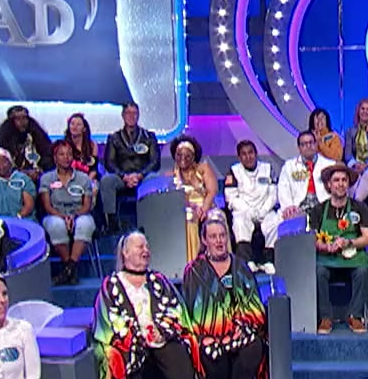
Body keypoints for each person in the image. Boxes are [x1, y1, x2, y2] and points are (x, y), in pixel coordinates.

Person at [92, 233, 200, 379]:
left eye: (147, 247)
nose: (145, 250)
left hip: (160, 336)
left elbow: (175, 309)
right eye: (140, 246)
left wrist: (162, 330)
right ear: (125, 253)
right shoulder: (111, 284)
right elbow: (109, 318)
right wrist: (135, 334)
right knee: (124, 353)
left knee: (176, 349)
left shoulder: (158, 280)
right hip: (129, 338)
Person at [182, 211, 268, 379]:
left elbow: (254, 305)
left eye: (222, 236)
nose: (219, 241)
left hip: (240, 330)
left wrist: (240, 326)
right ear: (204, 240)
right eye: (213, 237)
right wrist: (218, 329)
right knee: (207, 347)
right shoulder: (194, 270)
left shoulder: (241, 267)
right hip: (209, 332)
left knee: (254, 344)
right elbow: (192, 310)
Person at [311, 163, 368, 334]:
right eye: (336, 180)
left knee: (363, 271)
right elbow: (311, 239)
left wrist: (349, 242)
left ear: (348, 184)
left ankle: (355, 316)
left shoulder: (359, 207)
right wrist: (326, 247)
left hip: (353, 259)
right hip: (327, 259)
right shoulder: (318, 210)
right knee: (318, 272)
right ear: (329, 184)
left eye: (344, 180)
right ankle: (325, 318)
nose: (340, 184)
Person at [37, 139, 97, 285]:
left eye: (69, 154)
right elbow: (47, 206)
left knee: (85, 224)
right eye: (62, 154)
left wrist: (73, 216)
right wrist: (63, 217)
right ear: (55, 157)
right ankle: (69, 267)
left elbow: (87, 205)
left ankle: (69, 268)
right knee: (56, 225)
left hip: (79, 214)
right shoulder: (46, 178)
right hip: (54, 214)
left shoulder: (83, 178)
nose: (66, 157)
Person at [99, 101, 160, 231]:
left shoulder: (149, 136)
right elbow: (109, 163)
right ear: (123, 115)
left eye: (134, 113)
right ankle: (111, 222)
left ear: (138, 115)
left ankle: (151, 219)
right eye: (128, 113)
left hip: (142, 176)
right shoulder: (114, 138)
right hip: (122, 177)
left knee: (154, 178)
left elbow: (155, 162)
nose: (131, 116)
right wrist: (124, 176)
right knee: (107, 180)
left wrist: (140, 175)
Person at [225, 139, 280, 273]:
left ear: (256, 154)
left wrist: (264, 210)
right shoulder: (234, 171)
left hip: (264, 210)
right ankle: (246, 261)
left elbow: (273, 193)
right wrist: (248, 211)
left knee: (275, 221)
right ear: (239, 157)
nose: (248, 157)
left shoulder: (267, 169)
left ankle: (268, 261)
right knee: (239, 221)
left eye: (250, 153)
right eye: (244, 154)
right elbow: (231, 197)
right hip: (244, 210)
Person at [167, 135, 221, 264]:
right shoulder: (171, 175)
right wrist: (192, 206)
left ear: (193, 156)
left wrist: (203, 209)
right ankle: (192, 262)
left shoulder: (203, 169)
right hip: (185, 208)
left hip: (206, 205)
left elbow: (212, 191)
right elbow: (172, 198)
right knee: (188, 217)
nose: (183, 158)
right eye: (179, 155)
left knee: (216, 216)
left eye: (187, 155)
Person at [278, 129, 329, 218]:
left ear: (316, 144)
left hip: (323, 207)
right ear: (299, 148)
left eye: (311, 142)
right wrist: (289, 207)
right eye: (304, 144)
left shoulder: (329, 164)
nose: (308, 146)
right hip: (297, 208)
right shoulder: (289, 166)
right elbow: (283, 189)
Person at [0, 104, 53, 172]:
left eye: (24, 118)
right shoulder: (2, 140)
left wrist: (40, 169)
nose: (22, 122)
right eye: (18, 119)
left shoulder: (37, 134)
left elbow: (47, 153)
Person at [0, 148, 34, 220]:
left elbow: (29, 205)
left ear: (10, 163)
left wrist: (17, 218)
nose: (1, 165)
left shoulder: (23, 179)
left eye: (4, 161)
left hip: (22, 219)